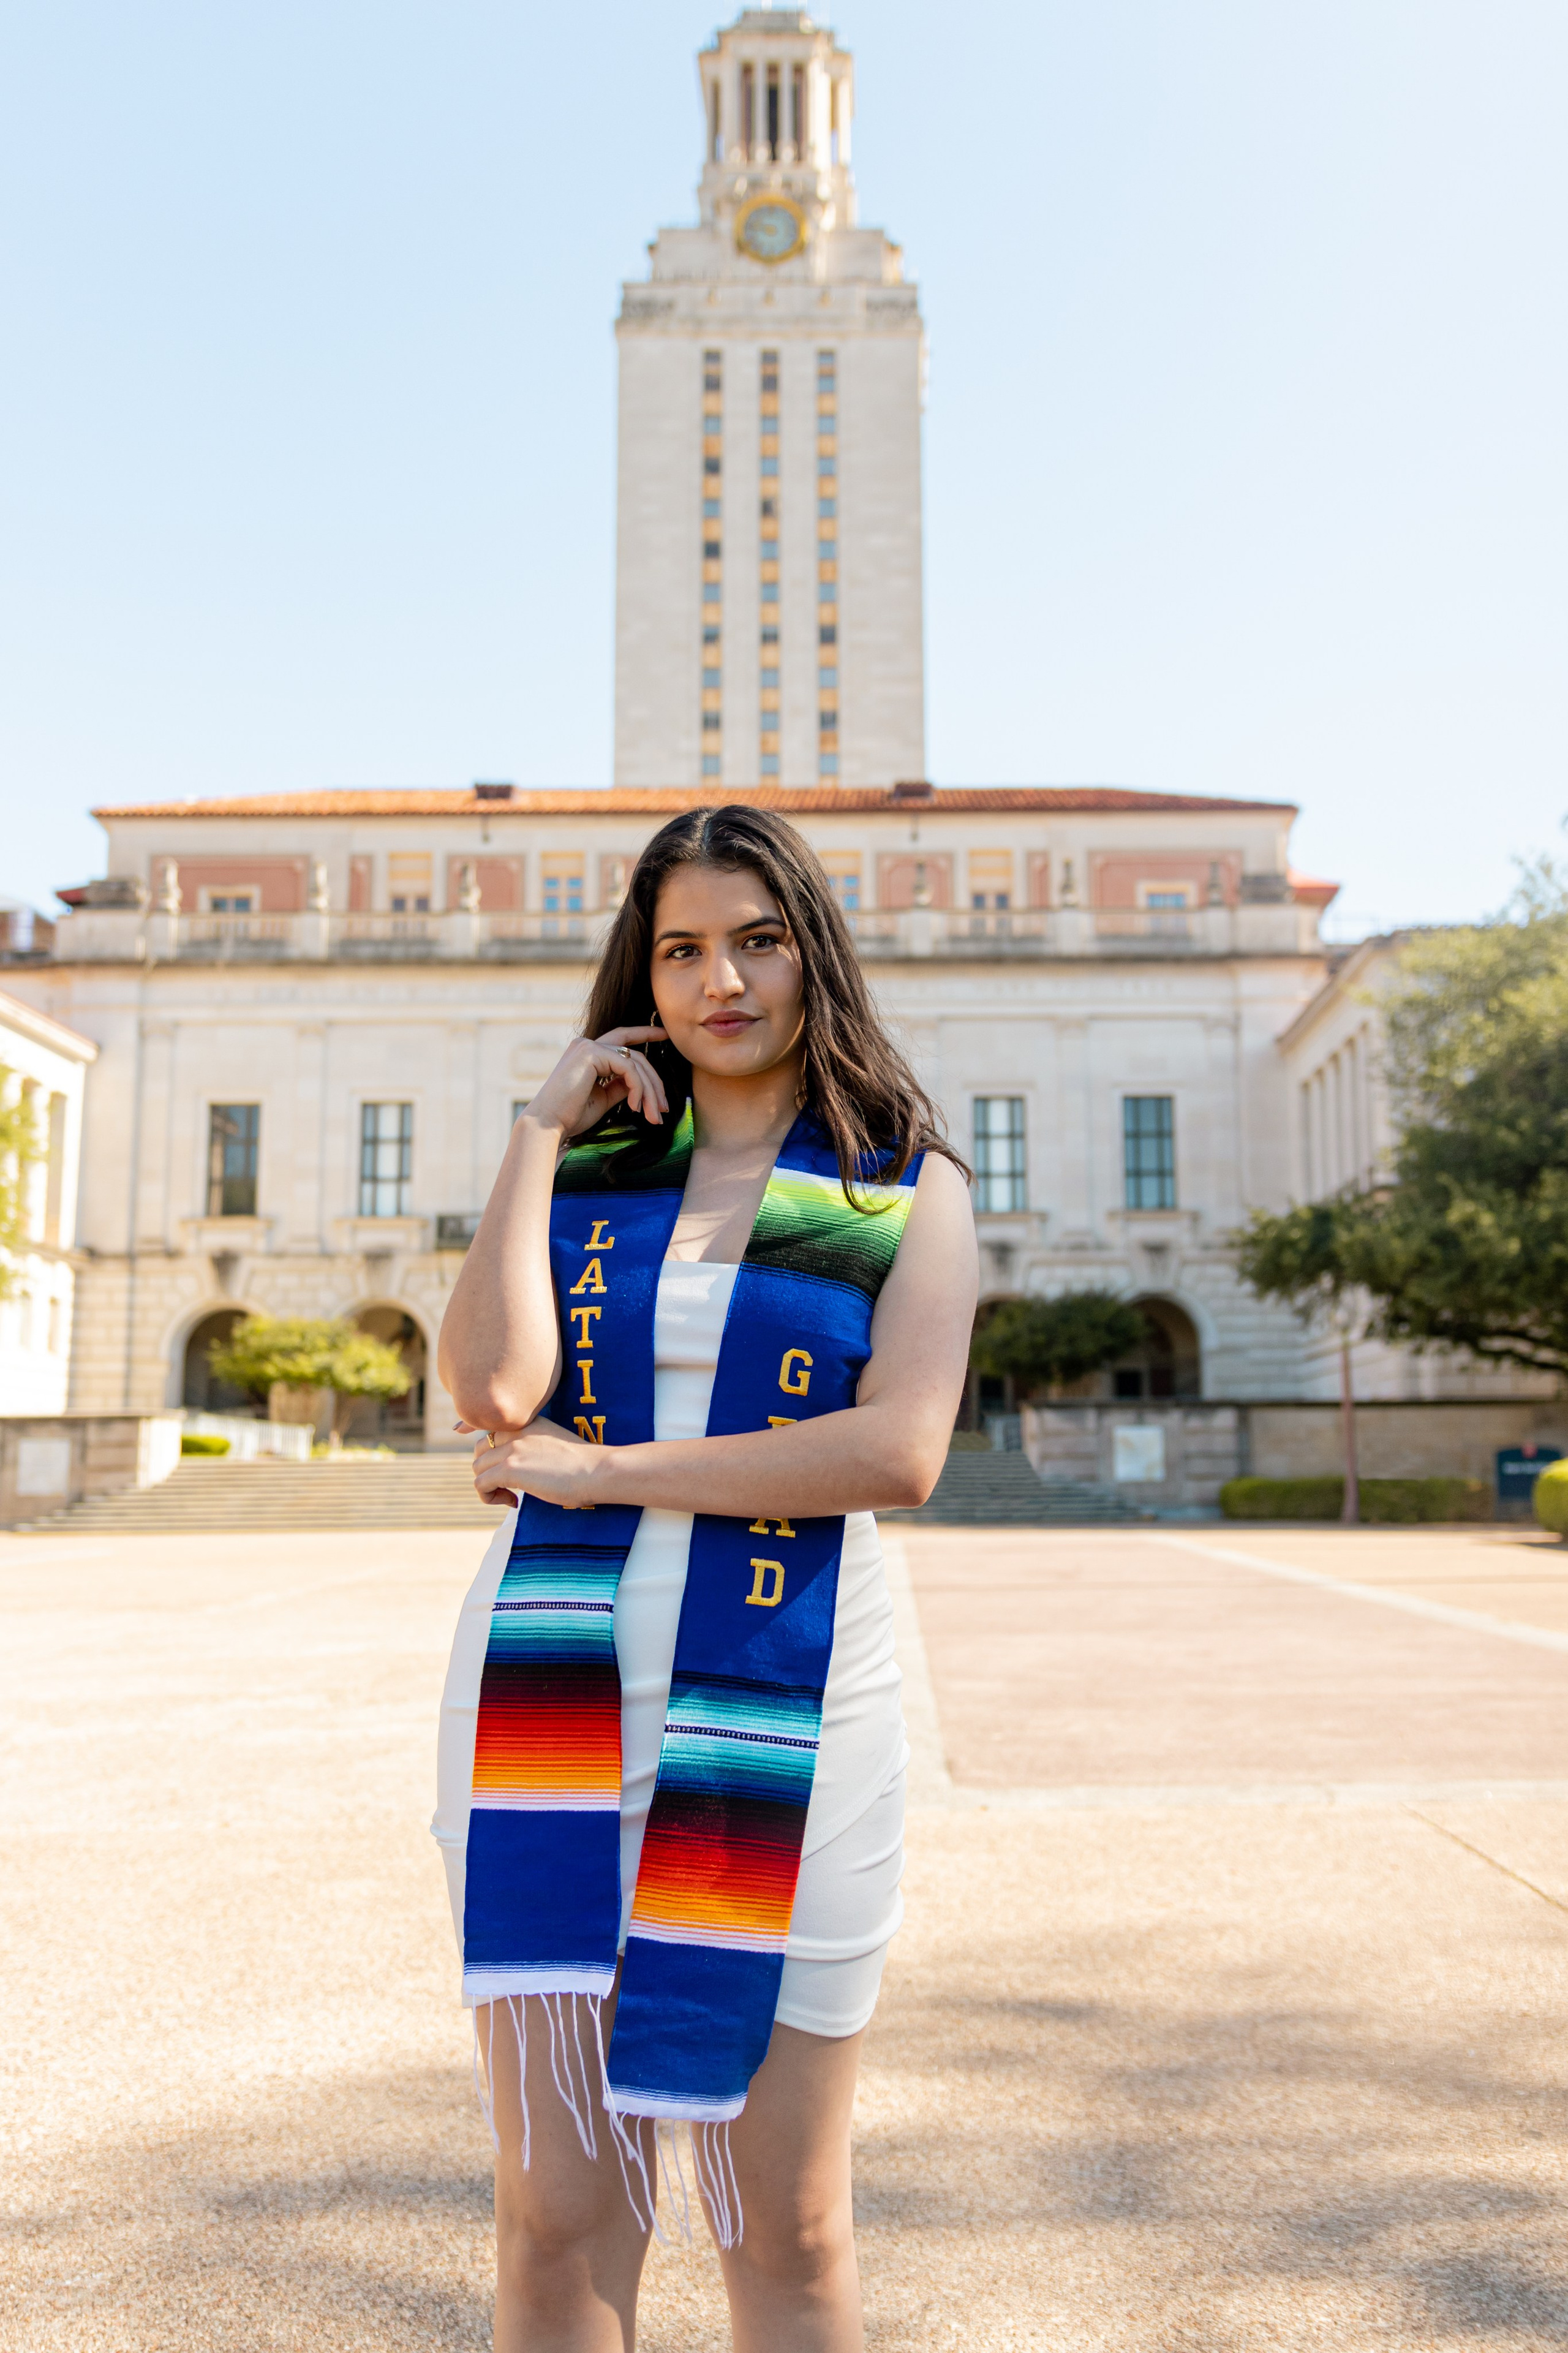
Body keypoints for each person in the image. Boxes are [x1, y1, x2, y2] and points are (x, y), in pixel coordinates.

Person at [433, 804, 977, 2353]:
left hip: (790, 1726)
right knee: (554, 2216)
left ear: (811, 948)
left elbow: (895, 1453)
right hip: (549, 1707)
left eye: (754, 937)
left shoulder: (898, 1187)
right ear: (640, 975)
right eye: (679, 948)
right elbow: (491, 1388)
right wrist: (535, 1130)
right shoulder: (596, 1170)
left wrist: (610, 1473)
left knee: (783, 2225)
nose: (717, 979)